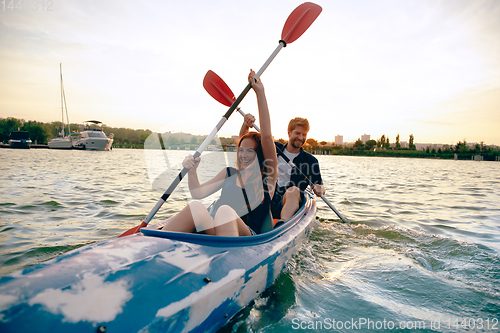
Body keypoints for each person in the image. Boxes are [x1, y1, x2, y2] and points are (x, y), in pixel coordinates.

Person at [161, 70, 278, 236]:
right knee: (195, 207)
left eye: (250, 151)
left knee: (224, 212)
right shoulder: (229, 173)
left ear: (259, 155)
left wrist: (260, 93)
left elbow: (266, 137)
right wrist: (192, 171)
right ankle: (151, 249)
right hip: (215, 231)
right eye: (241, 150)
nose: (243, 155)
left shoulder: (269, 178)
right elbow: (198, 193)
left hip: (247, 238)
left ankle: (225, 258)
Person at [239, 115, 324, 222]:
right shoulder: (273, 148)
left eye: (304, 134)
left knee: (293, 191)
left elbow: (319, 185)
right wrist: (245, 124)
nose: (301, 138)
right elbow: (245, 141)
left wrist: (320, 188)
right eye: (297, 133)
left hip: (290, 204)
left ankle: (282, 223)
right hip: (265, 199)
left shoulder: (311, 161)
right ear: (289, 133)